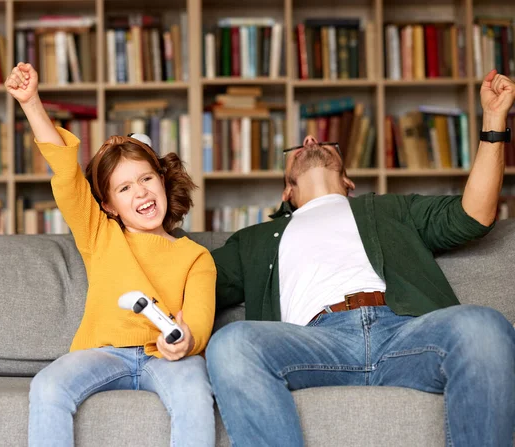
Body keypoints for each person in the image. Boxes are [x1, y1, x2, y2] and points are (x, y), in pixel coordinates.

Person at [206, 69, 515, 447]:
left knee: (483, 325)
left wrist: (494, 121)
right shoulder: (254, 240)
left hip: (405, 333)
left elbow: (474, 216)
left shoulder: (387, 209)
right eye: (297, 148)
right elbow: (189, 279)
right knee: (231, 344)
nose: (310, 138)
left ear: (350, 183)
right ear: (287, 191)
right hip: (314, 345)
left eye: (325, 141)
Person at [5, 62, 216, 447]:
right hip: (104, 354)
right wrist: (32, 102)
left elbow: (199, 320)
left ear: (163, 181)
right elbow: (66, 174)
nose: (140, 193)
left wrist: (186, 339)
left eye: (146, 179)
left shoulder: (197, 257)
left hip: (164, 359)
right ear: (109, 206)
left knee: (195, 391)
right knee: (48, 385)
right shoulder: (99, 232)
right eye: (124, 189)